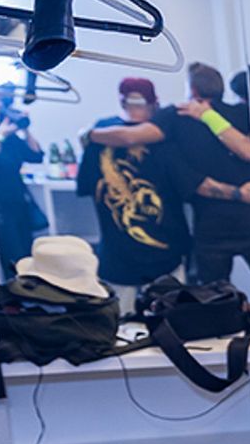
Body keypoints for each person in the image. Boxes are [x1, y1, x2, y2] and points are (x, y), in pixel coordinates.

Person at [77, 76, 193, 303]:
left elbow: (87, 187)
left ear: (122, 101)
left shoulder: (99, 134)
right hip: (160, 252)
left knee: (122, 330)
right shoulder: (166, 134)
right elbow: (189, 186)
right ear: (154, 102)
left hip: (122, 254)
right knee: (173, 325)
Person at [0, 90, 46, 271]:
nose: (3, 112)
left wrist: (25, 128)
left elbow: (36, 155)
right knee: (11, 255)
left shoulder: (11, 139)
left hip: (19, 202)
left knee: (26, 253)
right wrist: (0, 135)